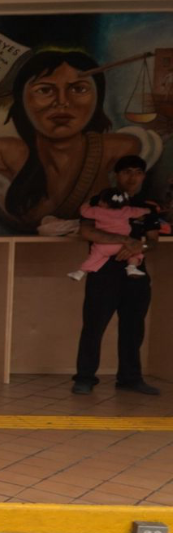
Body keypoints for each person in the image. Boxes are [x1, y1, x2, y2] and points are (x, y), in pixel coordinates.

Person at [0, 50, 161, 230]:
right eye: (45, 90)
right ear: (22, 100)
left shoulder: (123, 148)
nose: (62, 101)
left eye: (79, 89)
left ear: (97, 98)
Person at [72, 155, 163, 396]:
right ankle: (85, 378)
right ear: (116, 175)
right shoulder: (99, 201)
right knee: (94, 326)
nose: (132, 177)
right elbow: (87, 232)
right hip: (103, 271)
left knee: (133, 327)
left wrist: (138, 247)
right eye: (126, 172)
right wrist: (124, 240)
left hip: (135, 271)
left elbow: (153, 242)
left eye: (137, 172)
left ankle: (130, 378)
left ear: (143, 176)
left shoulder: (147, 206)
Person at [67, 189, 153, 280]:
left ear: (104, 203)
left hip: (103, 245)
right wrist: (148, 210)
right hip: (123, 246)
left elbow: (84, 211)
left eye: (101, 200)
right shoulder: (126, 210)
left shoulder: (97, 210)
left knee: (94, 257)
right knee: (136, 253)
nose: (99, 202)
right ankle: (132, 267)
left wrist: (87, 203)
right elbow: (138, 211)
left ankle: (80, 272)